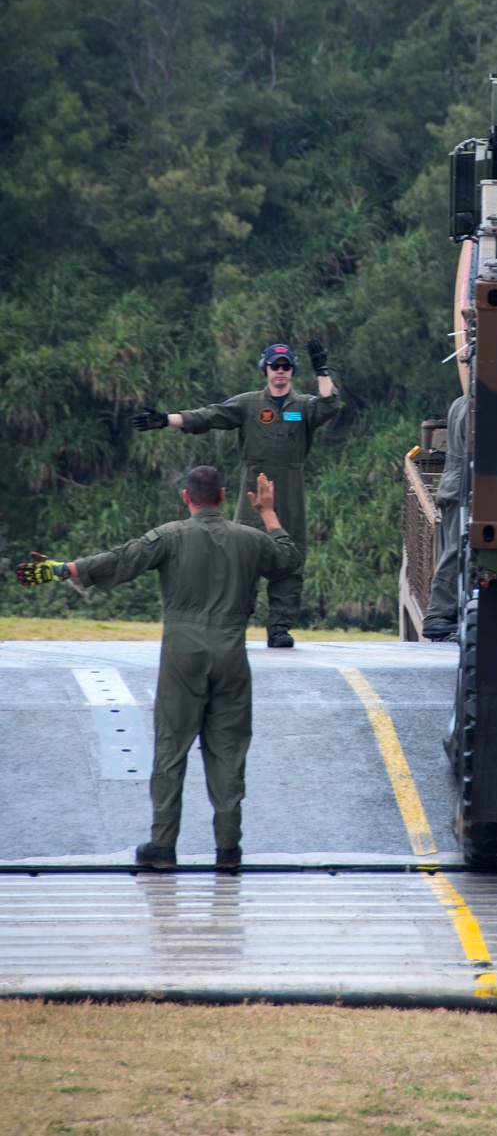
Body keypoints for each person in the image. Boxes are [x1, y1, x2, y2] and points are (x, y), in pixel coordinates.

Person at [16, 466, 301, 871]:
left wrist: (65, 569)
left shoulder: (170, 536)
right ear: (222, 496)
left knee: (172, 748)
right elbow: (288, 559)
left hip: (183, 655)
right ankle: (228, 850)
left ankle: (163, 846)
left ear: (187, 498)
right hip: (231, 654)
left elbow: (121, 559)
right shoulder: (250, 539)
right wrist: (268, 513)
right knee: (229, 752)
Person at [132, 339, 341, 649]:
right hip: (253, 487)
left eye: (286, 366)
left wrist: (322, 369)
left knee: (290, 556)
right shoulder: (248, 404)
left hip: (291, 486)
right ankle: (235, 622)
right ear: (265, 369)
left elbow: (330, 405)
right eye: (275, 365)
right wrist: (167, 420)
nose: (280, 371)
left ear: (293, 370)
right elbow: (210, 416)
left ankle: (280, 627)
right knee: (243, 554)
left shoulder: (304, 406)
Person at [421, 393, 468, 641]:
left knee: (453, 547)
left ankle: (443, 612)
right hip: (462, 488)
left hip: (453, 485)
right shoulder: (473, 405)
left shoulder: (461, 402)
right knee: (456, 549)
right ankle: (438, 613)